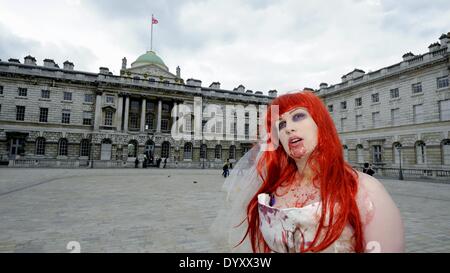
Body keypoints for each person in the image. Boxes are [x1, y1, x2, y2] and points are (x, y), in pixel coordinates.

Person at [211, 90, 404, 253]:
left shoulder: (364, 189)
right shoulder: (275, 190)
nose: (288, 128)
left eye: (298, 116)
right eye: (281, 125)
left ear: (320, 124)